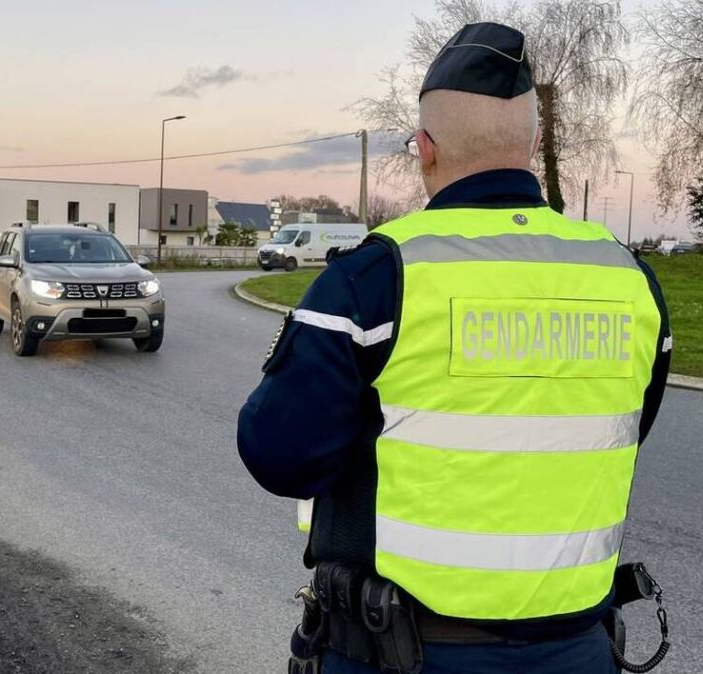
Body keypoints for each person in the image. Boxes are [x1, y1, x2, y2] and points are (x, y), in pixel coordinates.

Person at [237, 22, 672, 674]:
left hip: (402, 653)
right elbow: (622, 429)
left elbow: (277, 454)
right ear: (532, 142)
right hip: (580, 653)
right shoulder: (629, 281)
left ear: (426, 149)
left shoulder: (376, 278)